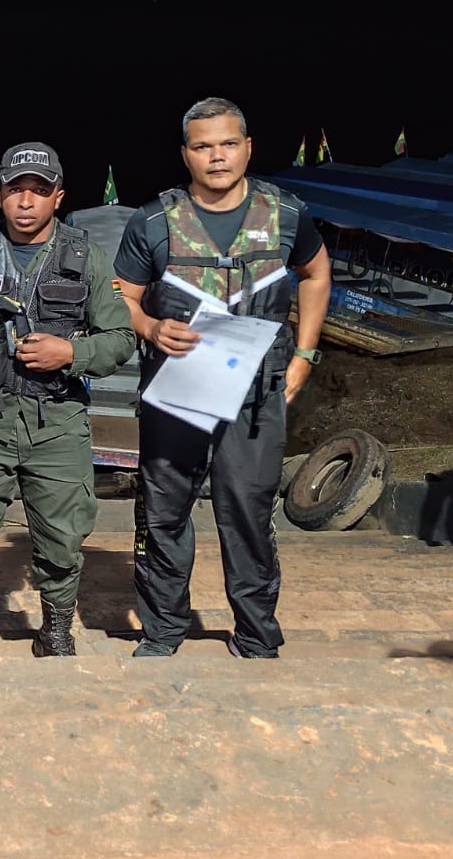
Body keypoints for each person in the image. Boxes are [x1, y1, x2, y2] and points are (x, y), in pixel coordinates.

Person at [115, 95, 331, 659]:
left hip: (256, 396)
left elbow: (315, 272)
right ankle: (163, 631)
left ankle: (256, 636)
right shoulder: (155, 222)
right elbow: (124, 297)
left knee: (249, 511)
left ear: (248, 147)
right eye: (203, 146)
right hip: (177, 392)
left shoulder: (286, 214)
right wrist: (149, 327)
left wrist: (306, 352)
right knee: (163, 512)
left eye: (228, 143)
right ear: (185, 155)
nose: (217, 156)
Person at [0, 141, 136, 657]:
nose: (26, 201)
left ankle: (56, 629)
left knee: (63, 536)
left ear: (57, 197)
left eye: (38, 191)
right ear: (0, 196)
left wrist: (71, 351)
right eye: (16, 190)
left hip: (57, 419)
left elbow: (122, 338)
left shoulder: (86, 257)